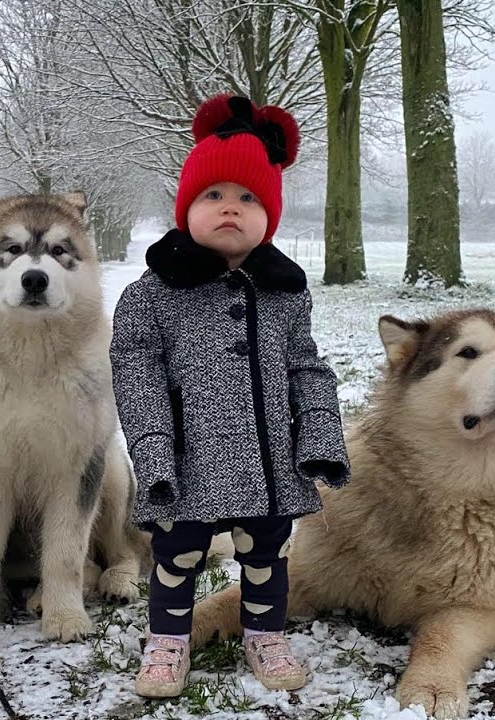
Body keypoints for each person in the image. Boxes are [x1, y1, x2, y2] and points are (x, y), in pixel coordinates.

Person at [110, 94, 350, 698]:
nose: (230, 209)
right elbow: (138, 382)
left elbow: (307, 370)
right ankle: (168, 641)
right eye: (213, 195)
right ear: (186, 208)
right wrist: (155, 459)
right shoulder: (151, 295)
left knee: (266, 554)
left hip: (269, 464)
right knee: (178, 555)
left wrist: (319, 438)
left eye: (248, 199)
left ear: (268, 215)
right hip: (189, 463)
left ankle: (265, 632)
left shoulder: (285, 293)